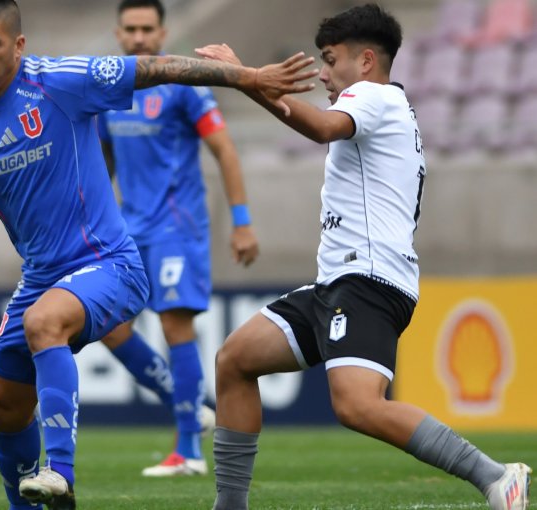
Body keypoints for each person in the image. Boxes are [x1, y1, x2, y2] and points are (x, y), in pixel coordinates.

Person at [0, 1, 315, 508]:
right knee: (4, 408)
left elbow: (156, 68)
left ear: (19, 45)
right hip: (40, 277)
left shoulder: (63, 81)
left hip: (111, 264)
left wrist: (248, 76)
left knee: (44, 323)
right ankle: (27, 504)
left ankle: (62, 471)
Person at [195, 4, 532, 510]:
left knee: (356, 405)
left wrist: (245, 78)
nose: (324, 74)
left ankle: (494, 475)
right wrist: (251, 82)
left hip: (368, 280)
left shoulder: (371, 97)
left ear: (367, 60)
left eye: (330, 61)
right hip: (339, 281)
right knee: (236, 360)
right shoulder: (387, 106)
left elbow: (322, 128)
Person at [96, 0, 259, 478]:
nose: (140, 37)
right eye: (131, 29)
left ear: (163, 32)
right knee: (104, 322)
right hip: (128, 229)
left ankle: (188, 450)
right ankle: (185, 405)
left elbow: (224, 149)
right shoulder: (110, 91)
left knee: (174, 325)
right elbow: (105, 161)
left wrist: (242, 221)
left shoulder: (184, 86)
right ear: (119, 33)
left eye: (148, 28)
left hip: (177, 226)